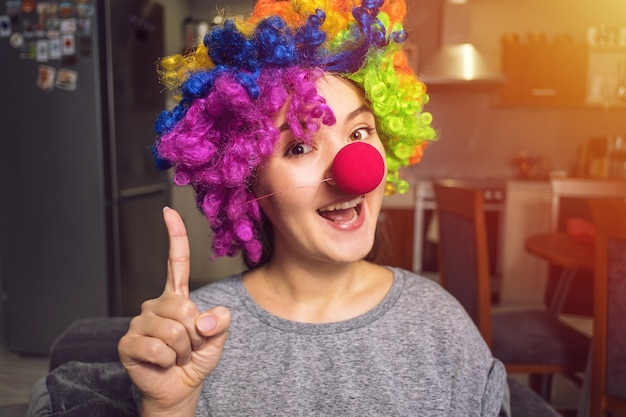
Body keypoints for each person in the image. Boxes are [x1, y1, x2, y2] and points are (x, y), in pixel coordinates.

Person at [117, 0, 511, 415]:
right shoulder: (194, 338)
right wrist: (167, 408)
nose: (351, 170)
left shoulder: (440, 324)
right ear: (246, 179)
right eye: (300, 146)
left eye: (360, 131)